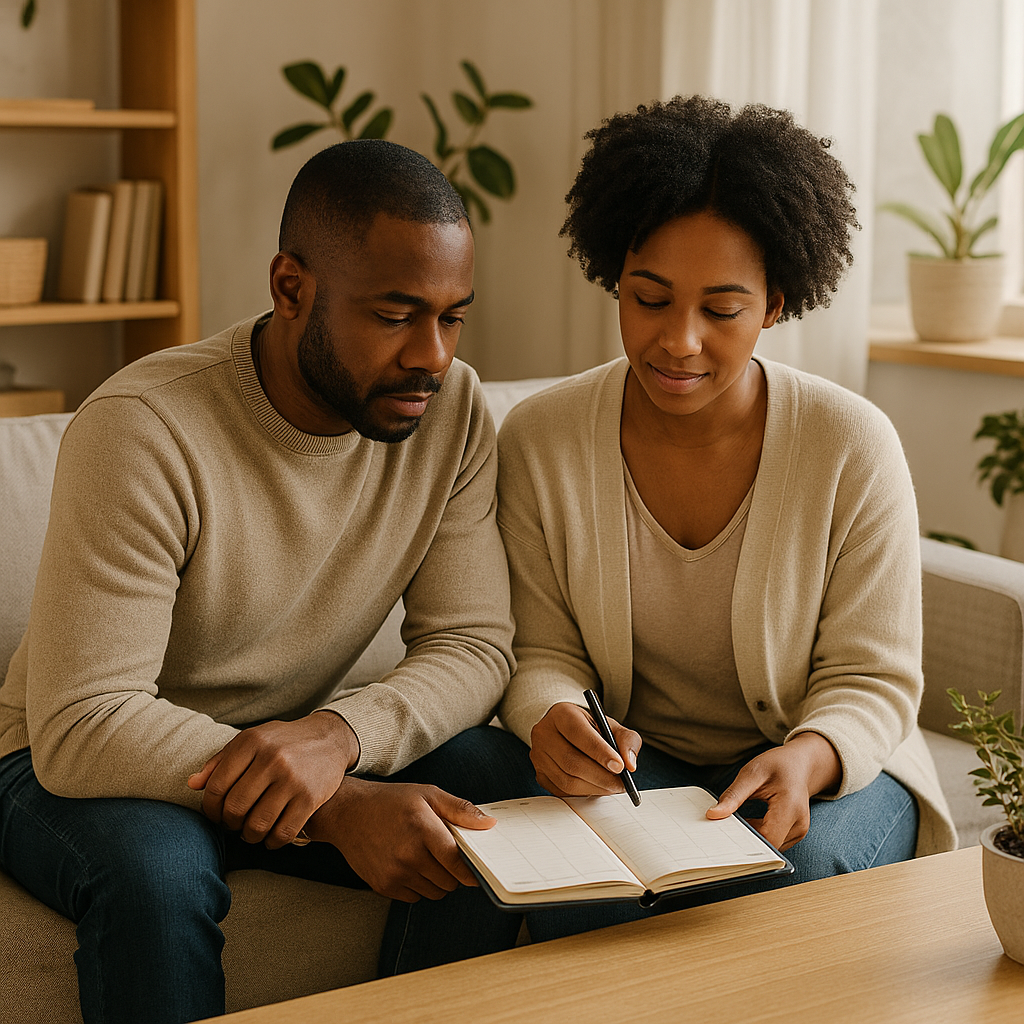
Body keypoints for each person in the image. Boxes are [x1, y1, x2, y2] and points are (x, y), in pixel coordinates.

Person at [381, 95, 958, 972]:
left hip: (828, 775)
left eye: (722, 310)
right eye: (649, 299)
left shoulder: (849, 444)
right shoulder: (543, 437)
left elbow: (873, 679)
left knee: (790, 869)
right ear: (615, 274)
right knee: (527, 826)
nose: (677, 341)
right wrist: (560, 718)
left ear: (777, 304)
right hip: (644, 777)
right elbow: (538, 652)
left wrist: (808, 755)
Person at [0, 140, 532, 1024]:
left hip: (290, 733)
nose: (431, 355)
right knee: (158, 876)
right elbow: (83, 722)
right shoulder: (144, 427)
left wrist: (336, 737)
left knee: (490, 801)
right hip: (81, 763)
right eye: (396, 314)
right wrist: (334, 803)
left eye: (452, 318)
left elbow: (474, 646)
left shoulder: (452, 412)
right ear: (291, 288)